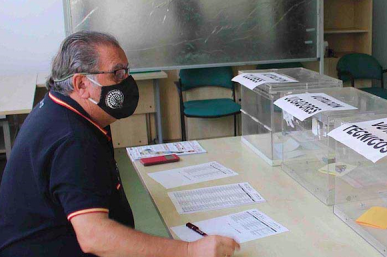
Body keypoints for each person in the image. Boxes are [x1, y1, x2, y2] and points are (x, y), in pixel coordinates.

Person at [0, 32, 239, 257]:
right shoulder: (73, 140)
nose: (126, 81)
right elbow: (94, 237)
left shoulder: (61, 109)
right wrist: (189, 251)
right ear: (81, 84)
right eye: (117, 73)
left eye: (126, 71)